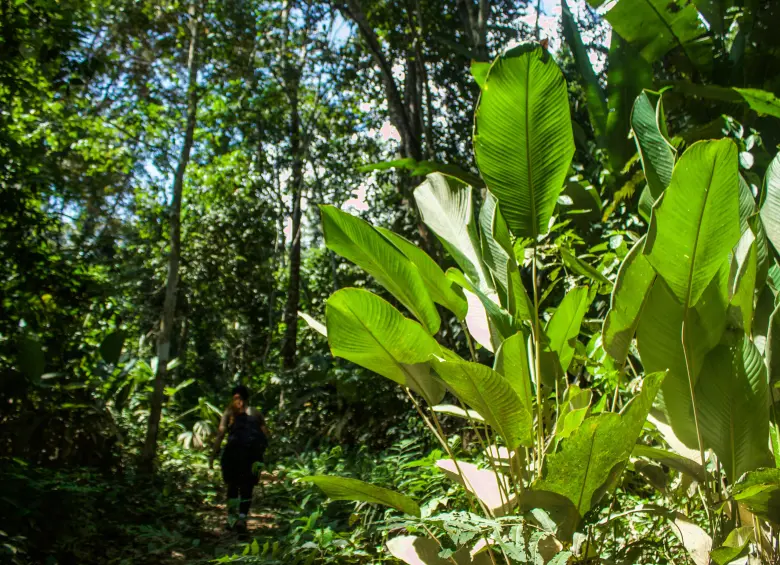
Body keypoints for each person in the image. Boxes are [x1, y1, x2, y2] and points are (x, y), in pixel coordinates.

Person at [209, 385, 269, 532]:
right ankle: (242, 518)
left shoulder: (229, 412)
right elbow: (266, 435)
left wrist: (213, 454)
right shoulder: (256, 413)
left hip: (233, 453)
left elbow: (221, 433)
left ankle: (232, 519)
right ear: (248, 398)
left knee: (232, 485)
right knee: (247, 486)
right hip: (252, 455)